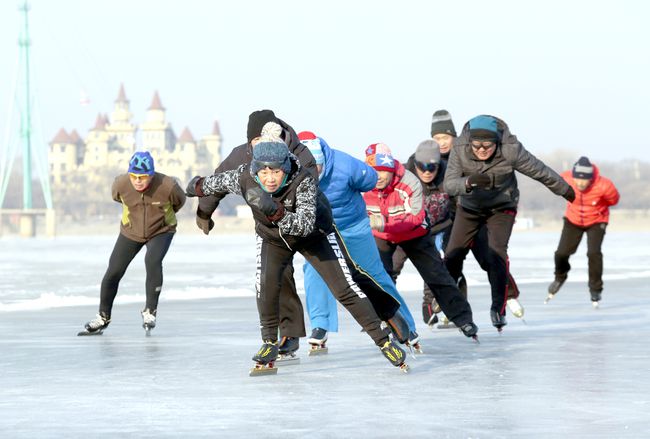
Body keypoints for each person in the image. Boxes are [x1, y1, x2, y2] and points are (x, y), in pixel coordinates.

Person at [186, 129, 409, 370]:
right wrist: (196, 186)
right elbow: (216, 182)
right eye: (264, 171)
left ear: (286, 168)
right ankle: (269, 341)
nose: (270, 178)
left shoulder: (302, 181)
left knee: (345, 287)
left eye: (276, 171)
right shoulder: (245, 176)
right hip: (273, 239)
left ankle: (383, 340)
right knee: (266, 285)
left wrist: (273, 210)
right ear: (255, 170)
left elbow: (302, 226)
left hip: (315, 235)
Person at [194, 110, 313, 357]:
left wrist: (293, 212)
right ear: (250, 143)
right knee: (278, 274)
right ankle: (289, 335)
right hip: (270, 225)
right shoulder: (241, 155)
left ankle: (382, 316)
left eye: (265, 140)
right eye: (256, 142)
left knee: (336, 273)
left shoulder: (299, 152)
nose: (263, 148)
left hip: (305, 221)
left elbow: (310, 186)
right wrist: (203, 214)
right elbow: (217, 183)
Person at [443, 115, 575, 331]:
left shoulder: (511, 149)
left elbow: (539, 171)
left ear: (497, 142)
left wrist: (565, 190)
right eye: (477, 145)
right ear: (470, 142)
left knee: (496, 254)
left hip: (502, 206)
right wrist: (468, 182)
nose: (482, 150)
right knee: (453, 254)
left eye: (488, 145)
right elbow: (449, 185)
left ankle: (498, 308)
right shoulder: (460, 147)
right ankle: (450, 305)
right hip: (470, 207)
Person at [298, 132, 419, 351]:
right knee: (313, 272)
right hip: (320, 231)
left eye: (315, 165)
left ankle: (407, 325)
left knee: (374, 273)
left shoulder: (344, 165)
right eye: (306, 166)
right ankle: (320, 325)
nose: (312, 171)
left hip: (352, 226)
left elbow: (371, 180)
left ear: (322, 160)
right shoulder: (292, 171)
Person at [362, 145, 479, 340]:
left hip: (414, 234)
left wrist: (383, 223)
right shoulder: (362, 182)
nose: (380, 176)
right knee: (379, 277)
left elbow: (415, 218)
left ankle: (463, 319)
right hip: (382, 236)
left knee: (437, 276)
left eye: (384, 171)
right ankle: (384, 319)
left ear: (392, 169)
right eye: (375, 171)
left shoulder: (409, 182)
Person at [79, 151, 186, 335]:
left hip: (161, 230)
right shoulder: (120, 184)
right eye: (134, 176)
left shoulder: (168, 185)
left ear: (151, 175)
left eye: (142, 177)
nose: (137, 181)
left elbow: (179, 202)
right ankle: (103, 317)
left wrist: (161, 218)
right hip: (131, 231)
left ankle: (150, 311)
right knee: (113, 271)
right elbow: (116, 197)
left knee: (152, 261)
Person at [546, 156, 620, 307]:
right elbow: (555, 187)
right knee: (561, 253)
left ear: (591, 178)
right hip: (573, 220)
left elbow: (614, 200)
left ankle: (595, 289)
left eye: (584, 180)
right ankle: (560, 277)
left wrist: (599, 206)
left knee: (593, 253)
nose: (580, 183)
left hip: (597, 220)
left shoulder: (604, 185)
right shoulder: (566, 178)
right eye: (577, 179)